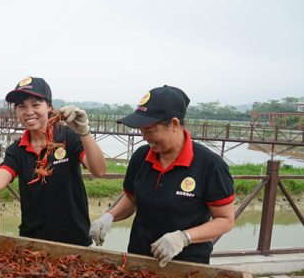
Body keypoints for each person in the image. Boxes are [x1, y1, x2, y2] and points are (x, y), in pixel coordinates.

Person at [89, 85, 235, 266]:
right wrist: (109, 216)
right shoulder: (141, 157)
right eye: (141, 131)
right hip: (138, 258)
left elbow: (225, 220)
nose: (144, 137)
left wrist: (183, 238)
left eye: (149, 130)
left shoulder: (210, 165)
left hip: (186, 264)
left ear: (174, 124)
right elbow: (132, 199)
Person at [0, 76, 106, 246]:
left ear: (49, 106)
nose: (29, 112)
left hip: (75, 240)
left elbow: (99, 170)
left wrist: (84, 131)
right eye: (22, 106)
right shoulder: (17, 150)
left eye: (36, 105)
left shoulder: (67, 137)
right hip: (32, 241)